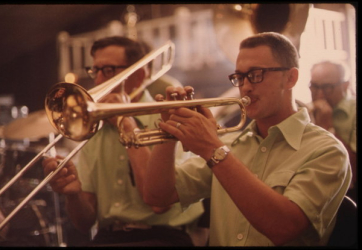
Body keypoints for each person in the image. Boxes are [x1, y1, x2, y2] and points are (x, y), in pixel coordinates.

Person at [143, 32, 351, 246]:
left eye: (256, 74)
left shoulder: (327, 150)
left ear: (291, 78)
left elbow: (284, 228)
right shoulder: (231, 143)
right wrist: (169, 132)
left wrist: (213, 150)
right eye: (240, 77)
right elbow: (158, 197)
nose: (245, 86)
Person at [42, 36, 204, 246]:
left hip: (163, 237)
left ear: (138, 75)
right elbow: (84, 223)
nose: (98, 80)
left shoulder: (167, 116)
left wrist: (125, 123)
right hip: (108, 238)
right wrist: (73, 194)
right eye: (95, 71)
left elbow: (159, 204)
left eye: (108, 70)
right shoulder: (94, 128)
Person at [309, 60, 356, 202]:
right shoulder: (306, 111)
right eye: (314, 87)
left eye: (328, 87)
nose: (320, 95)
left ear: (346, 85)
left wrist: (327, 129)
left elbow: (353, 170)